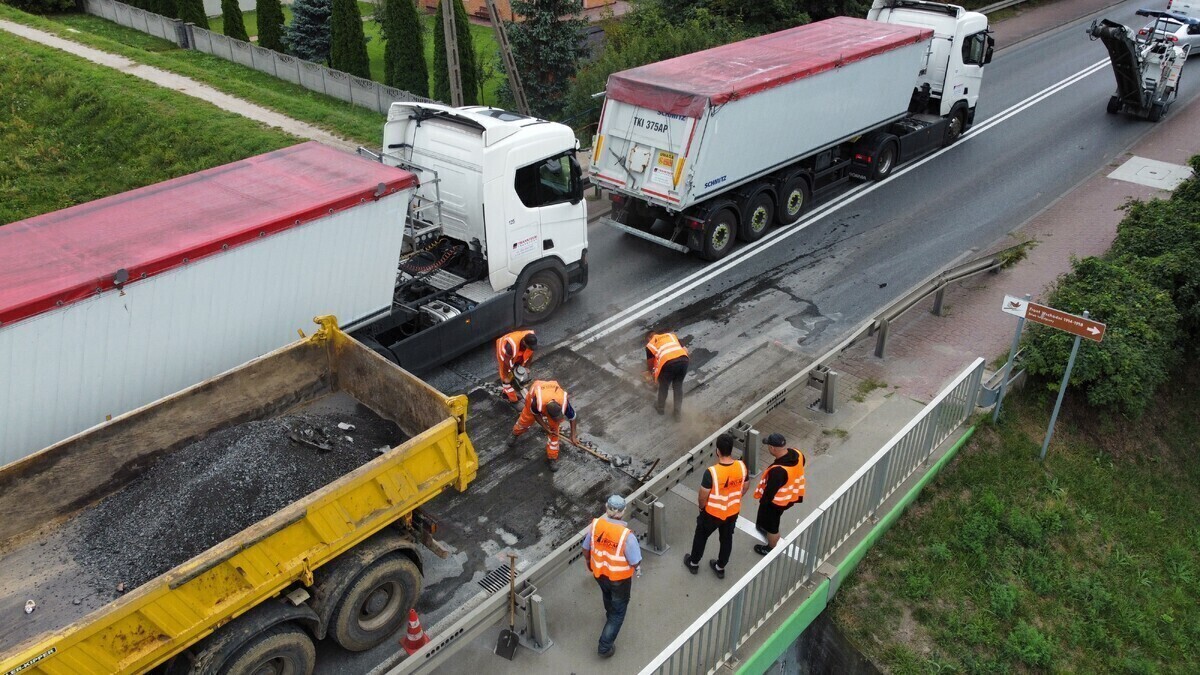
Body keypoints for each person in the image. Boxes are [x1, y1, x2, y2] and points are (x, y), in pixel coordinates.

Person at [582, 494, 642, 658]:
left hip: (600, 573)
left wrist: (589, 562)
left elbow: (586, 548)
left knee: (607, 594)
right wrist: (637, 569)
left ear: (606, 509)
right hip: (619, 580)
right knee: (618, 613)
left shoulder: (596, 525)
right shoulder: (626, 536)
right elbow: (635, 561)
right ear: (623, 512)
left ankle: (609, 614)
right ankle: (605, 646)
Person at [683, 433, 748, 579]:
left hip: (711, 514)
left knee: (701, 537)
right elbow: (745, 486)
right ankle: (720, 567)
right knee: (726, 539)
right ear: (731, 449)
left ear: (717, 451)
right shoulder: (741, 466)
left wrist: (702, 508)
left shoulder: (711, 472)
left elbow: (702, 496)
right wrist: (734, 498)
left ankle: (693, 563)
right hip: (732, 512)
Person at [506, 379, 578, 472]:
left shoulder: (564, 402)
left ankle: (552, 457)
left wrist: (573, 436)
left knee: (554, 433)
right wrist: (545, 427)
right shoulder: (536, 403)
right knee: (525, 420)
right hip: (535, 393)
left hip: (550, 393)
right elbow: (535, 414)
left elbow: (573, 417)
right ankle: (515, 433)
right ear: (546, 412)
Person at [752, 433, 806, 555]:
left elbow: (769, 493)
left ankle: (770, 548)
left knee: (772, 527)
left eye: (768, 446)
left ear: (772, 448)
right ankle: (764, 527)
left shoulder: (778, 471)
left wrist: (763, 502)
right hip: (789, 497)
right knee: (770, 520)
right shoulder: (797, 453)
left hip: (776, 503)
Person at [645, 331, 690, 418]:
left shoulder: (650, 344)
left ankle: (660, 408)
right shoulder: (671, 336)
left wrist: (652, 375)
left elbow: (650, 364)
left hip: (668, 363)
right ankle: (677, 413)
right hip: (683, 360)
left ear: (649, 338)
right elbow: (686, 351)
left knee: (664, 386)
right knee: (678, 386)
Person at [495, 330, 537, 403]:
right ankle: (511, 398)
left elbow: (530, 353)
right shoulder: (510, 347)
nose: (531, 348)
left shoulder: (531, 340)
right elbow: (506, 362)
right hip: (505, 355)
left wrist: (526, 367)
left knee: (517, 372)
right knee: (507, 378)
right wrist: (506, 376)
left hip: (516, 352)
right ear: (524, 342)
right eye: (529, 347)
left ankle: (512, 386)